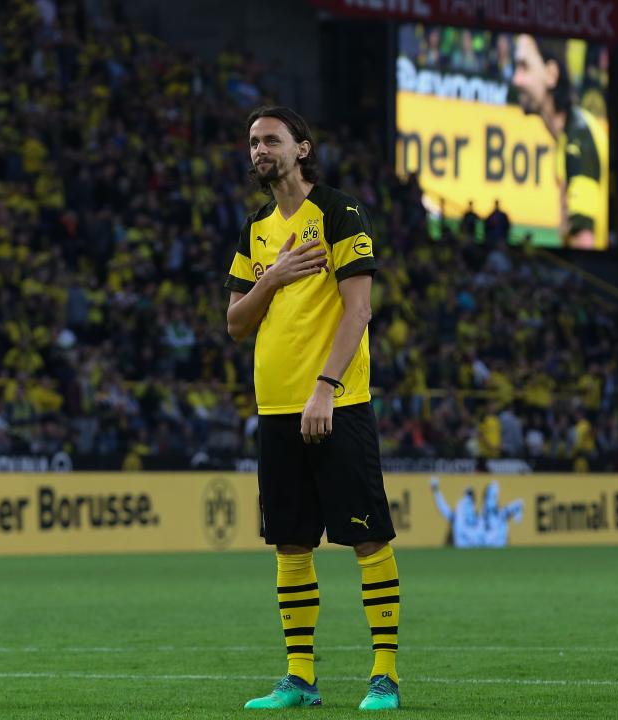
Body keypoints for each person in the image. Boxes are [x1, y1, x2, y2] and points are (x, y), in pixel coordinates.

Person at [224, 106, 400, 711]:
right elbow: (235, 323)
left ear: (302, 147)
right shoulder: (254, 229)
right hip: (275, 407)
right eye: (252, 142)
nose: (258, 150)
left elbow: (358, 311)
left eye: (271, 139)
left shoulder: (341, 211)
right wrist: (271, 279)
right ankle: (300, 677)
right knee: (291, 544)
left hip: (337, 401)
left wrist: (325, 385)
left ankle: (385, 675)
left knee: (367, 538)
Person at [512, 34, 609, 250]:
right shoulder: (568, 136)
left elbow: (584, 239)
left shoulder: (579, 138)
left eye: (524, 67)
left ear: (551, 74)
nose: (515, 80)